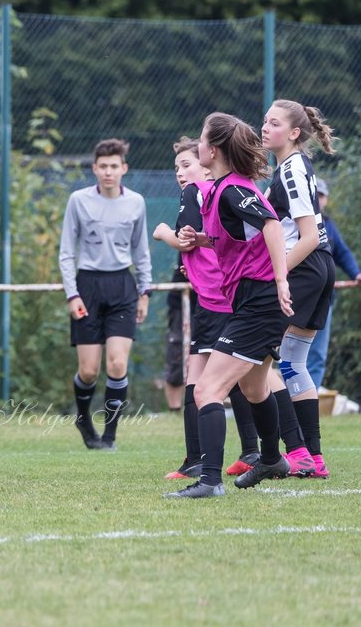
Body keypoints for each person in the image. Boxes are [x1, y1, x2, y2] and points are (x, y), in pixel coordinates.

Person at [153, 138, 258, 480]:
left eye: (187, 164)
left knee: (208, 378)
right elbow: (201, 242)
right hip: (221, 295)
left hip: (217, 299)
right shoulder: (223, 192)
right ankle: (256, 451)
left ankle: (208, 459)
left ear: (205, 162)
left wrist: (163, 232)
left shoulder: (198, 190)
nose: (181, 174)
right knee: (236, 377)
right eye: (176, 169)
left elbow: (185, 238)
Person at [259, 99, 338, 479]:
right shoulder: (290, 168)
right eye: (264, 121)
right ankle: (314, 458)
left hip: (305, 267)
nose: (264, 128)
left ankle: (296, 450)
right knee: (291, 362)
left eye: (274, 123)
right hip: (319, 267)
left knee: (257, 358)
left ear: (293, 133)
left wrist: (276, 275)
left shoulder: (290, 171)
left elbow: (306, 237)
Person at [58, 138, 152, 451]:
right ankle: (83, 418)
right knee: (88, 370)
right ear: (94, 169)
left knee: (116, 365)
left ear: (123, 169)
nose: (108, 172)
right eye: (103, 166)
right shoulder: (78, 200)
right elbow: (66, 252)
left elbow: (141, 251)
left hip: (122, 288)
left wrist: (144, 292)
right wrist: (73, 294)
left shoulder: (136, 202)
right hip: (88, 288)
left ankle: (110, 436)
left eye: (114, 166)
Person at [308, 178, 361, 388]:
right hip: (298, 297)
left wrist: (357, 273)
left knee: (317, 355)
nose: (318, 199)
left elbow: (343, 254)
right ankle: (289, 403)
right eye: (315, 194)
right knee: (290, 353)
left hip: (324, 299)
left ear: (325, 199)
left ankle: (308, 402)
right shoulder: (294, 220)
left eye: (321, 196)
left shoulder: (329, 226)